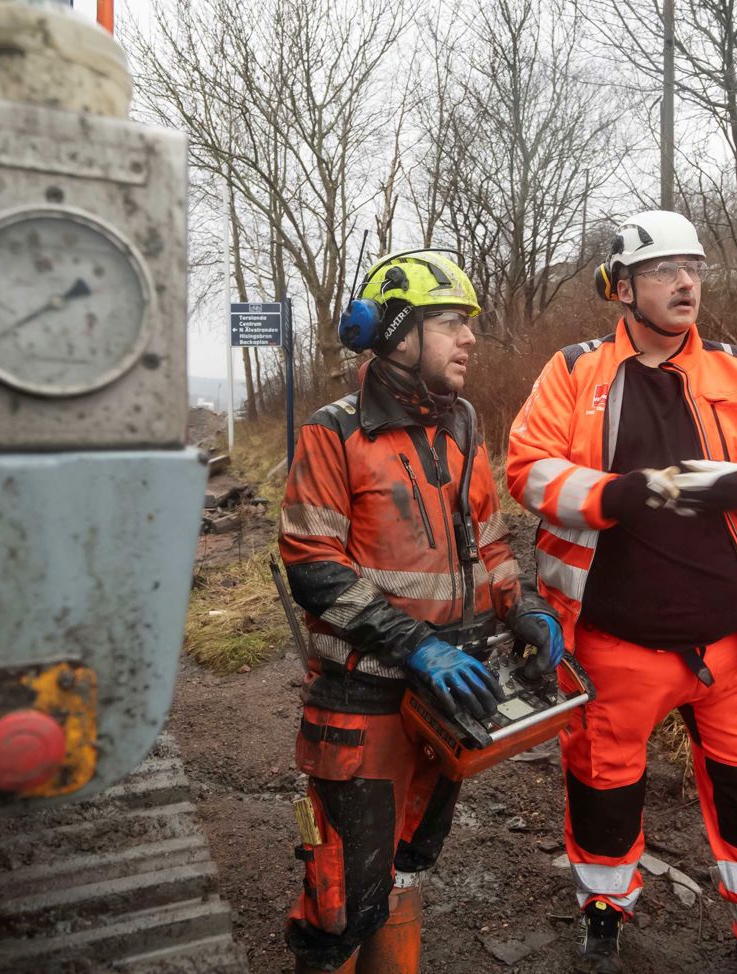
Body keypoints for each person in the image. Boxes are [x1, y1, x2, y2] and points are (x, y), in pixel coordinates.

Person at [506, 210, 737, 974]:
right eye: (662, 271)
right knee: (604, 786)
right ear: (621, 289)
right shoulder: (576, 371)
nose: (685, 283)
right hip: (615, 640)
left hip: (734, 644)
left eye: (693, 268)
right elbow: (529, 467)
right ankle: (605, 908)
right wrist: (617, 495)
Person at [279, 250, 563, 974]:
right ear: (395, 333)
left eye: (469, 323)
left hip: (448, 698)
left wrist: (523, 605)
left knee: (408, 867)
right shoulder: (333, 430)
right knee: (342, 893)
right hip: (364, 694)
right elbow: (313, 566)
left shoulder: (462, 424)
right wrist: (417, 644)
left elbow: (491, 541)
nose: (469, 338)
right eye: (449, 323)